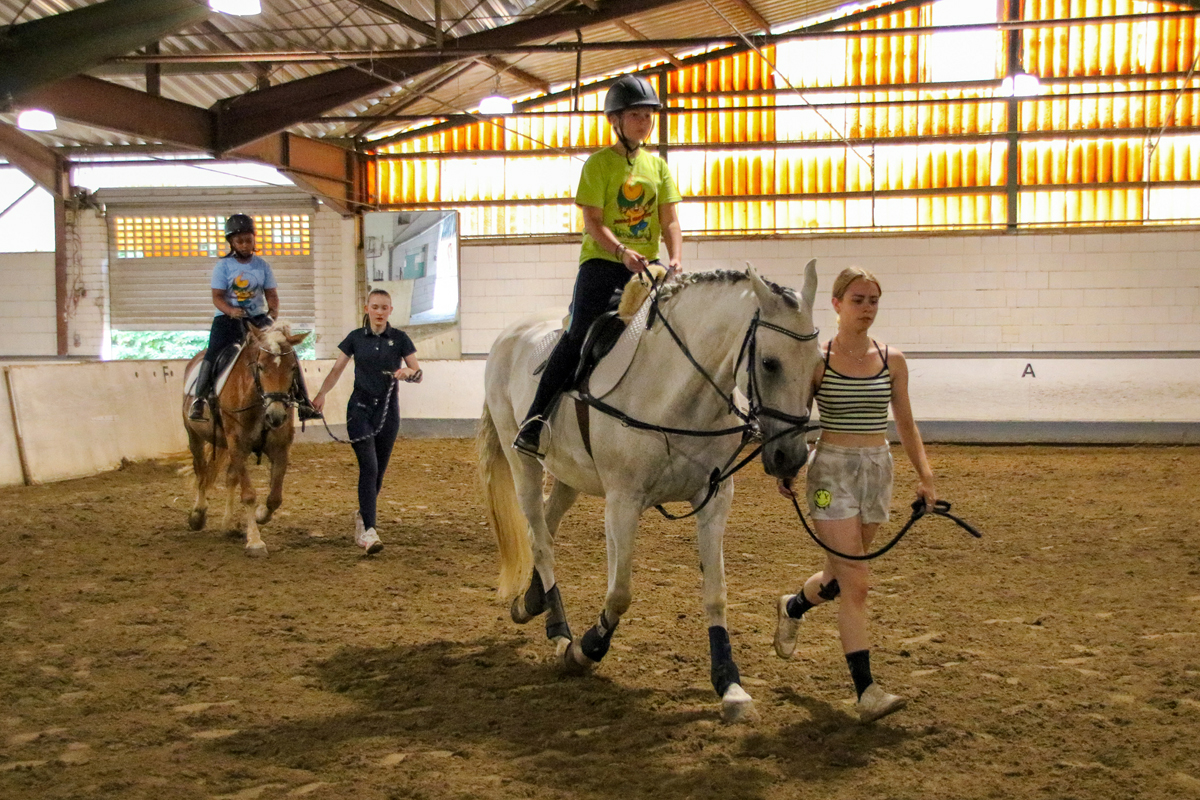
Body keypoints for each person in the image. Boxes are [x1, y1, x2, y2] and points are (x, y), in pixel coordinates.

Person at [772, 266, 936, 724]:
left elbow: (906, 422)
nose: (867, 308)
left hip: (876, 471)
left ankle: (794, 605)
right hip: (830, 475)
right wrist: (786, 468)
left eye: (873, 301)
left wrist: (925, 475)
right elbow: (794, 418)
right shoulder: (818, 360)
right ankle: (866, 691)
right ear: (837, 304)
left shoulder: (892, 360)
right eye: (858, 300)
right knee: (857, 583)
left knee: (841, 577)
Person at [512, 73, 683, 457]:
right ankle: (535, 420)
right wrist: (622, 250)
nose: (645, 121)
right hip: (603, 265)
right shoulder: (598, 165)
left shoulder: (658, 168)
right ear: (616, 120)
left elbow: (669, 220)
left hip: (649, 268)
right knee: (578, 335)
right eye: (636, 115)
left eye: (648, 115)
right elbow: (592, 221)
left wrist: (674, 256)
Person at [311, 289, 421, 555]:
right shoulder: (355, 338)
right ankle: (370, 531)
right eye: (375, 307)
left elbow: (417, 372)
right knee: (369, 467)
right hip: (359, 410)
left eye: (384, 307)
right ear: (367, 309)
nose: (380, 312)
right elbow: (337, 370)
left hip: (388, 412)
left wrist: (408, 373)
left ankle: (362, 518)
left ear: (390, 311)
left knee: (378, 472)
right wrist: (321, 394)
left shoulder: (400, 339)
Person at [189, 213, 320, 421]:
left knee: (287, 352)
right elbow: (217, 297)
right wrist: (231, 311)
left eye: (248, 240)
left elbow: (272, 295)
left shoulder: (262, 266)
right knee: (213, 353)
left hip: (258, 318)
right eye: (239, 241)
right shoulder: (223, 266)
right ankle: (200, 399)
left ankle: (304, 402)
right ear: (231, 242)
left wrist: (273, 313)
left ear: (253, 240)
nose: (244, 244)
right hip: (227, 319)